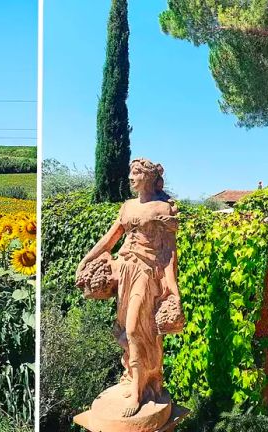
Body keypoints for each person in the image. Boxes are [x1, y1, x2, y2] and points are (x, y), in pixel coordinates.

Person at [77, 158, 181, 417]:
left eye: (136, 173)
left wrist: (173, 289)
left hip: (147, 273)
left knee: (135, 329)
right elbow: (110, 238)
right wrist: (87, 258)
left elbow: (169, 253)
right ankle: (136, 377)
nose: (131, 177)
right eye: (131, 173)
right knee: (124, 328)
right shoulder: (128, 206)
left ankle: (138, 392)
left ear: (148, 177)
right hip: (124, 270)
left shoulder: (163, 208)